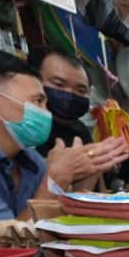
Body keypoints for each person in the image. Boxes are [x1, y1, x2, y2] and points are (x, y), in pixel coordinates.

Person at [0, 42, 128, 222]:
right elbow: (4, 245)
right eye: (38, 101)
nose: (46, 113)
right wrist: (56, 178)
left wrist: (89, 167)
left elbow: (59, 223)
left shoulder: (27, 158)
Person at [29, 47, 106, 192]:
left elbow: (94, 185)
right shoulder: (25, 126)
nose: (70, 94)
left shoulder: (81, 131)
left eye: (81, 90)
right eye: (58, 84)